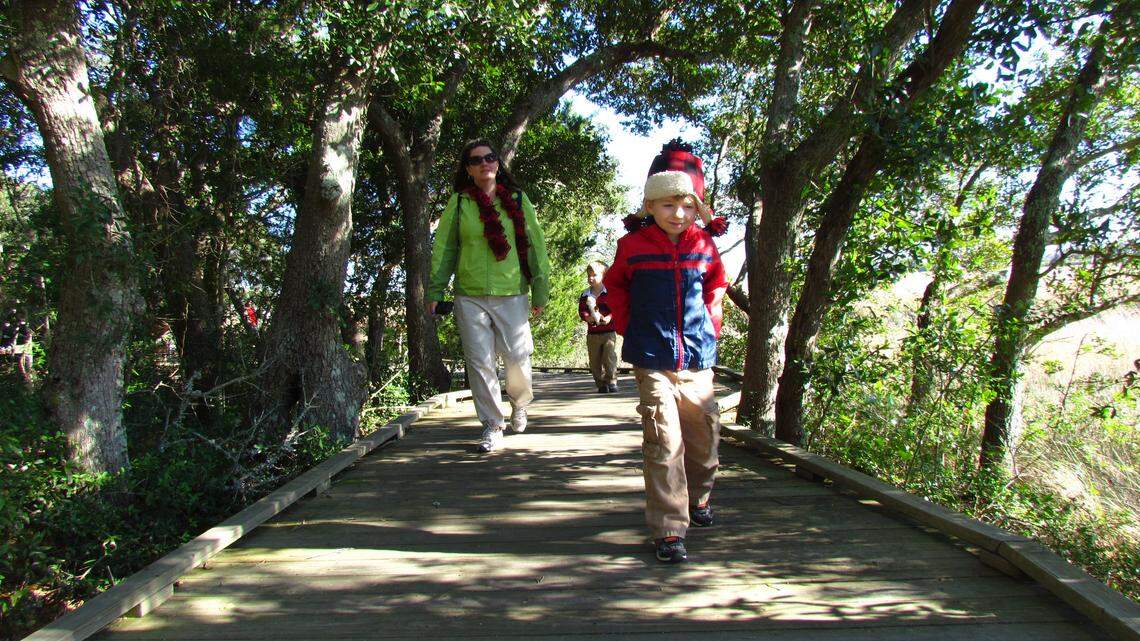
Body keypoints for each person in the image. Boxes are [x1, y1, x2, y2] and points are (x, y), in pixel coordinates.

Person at [603, 141, 729, 563]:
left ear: (697, 209)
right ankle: (669, 529)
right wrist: (626, 323)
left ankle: (700, 498)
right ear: (651, 206)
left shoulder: (704, 247)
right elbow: (615, 285)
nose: (678, 214)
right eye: (668, 205)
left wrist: (712, 326)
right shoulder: (632, 247)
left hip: (698, 360)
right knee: (663, 441)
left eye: (687, 206)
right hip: (653, 360)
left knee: (703, 440)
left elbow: (716, 286)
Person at [427, 139, 551, 453]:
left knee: (517, 358)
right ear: (468, 169)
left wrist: (540, 289)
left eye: (490, 158)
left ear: (498, 163)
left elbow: (536, 245)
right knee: (479, 362)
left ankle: (519, 403)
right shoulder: (459, 202)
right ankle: (492, 425)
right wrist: (436, 290)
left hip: (511, 292)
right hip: (469, 294)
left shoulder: (519, 199)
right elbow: (445, 249)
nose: (485, 163)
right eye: (477, 160)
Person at [579, 261, 618, 393]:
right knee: (594, 360)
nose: (591, 278)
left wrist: (609, 317)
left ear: (603, 276)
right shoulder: (585, 295)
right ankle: (601, 384)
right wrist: (587, 317)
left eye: (594, 275)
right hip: (593, 333)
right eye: (589, 275)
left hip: (609, 332)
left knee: (609, 357)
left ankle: (611, 381)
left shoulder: (609, 293)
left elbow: (615, 308)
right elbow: (582, 310)